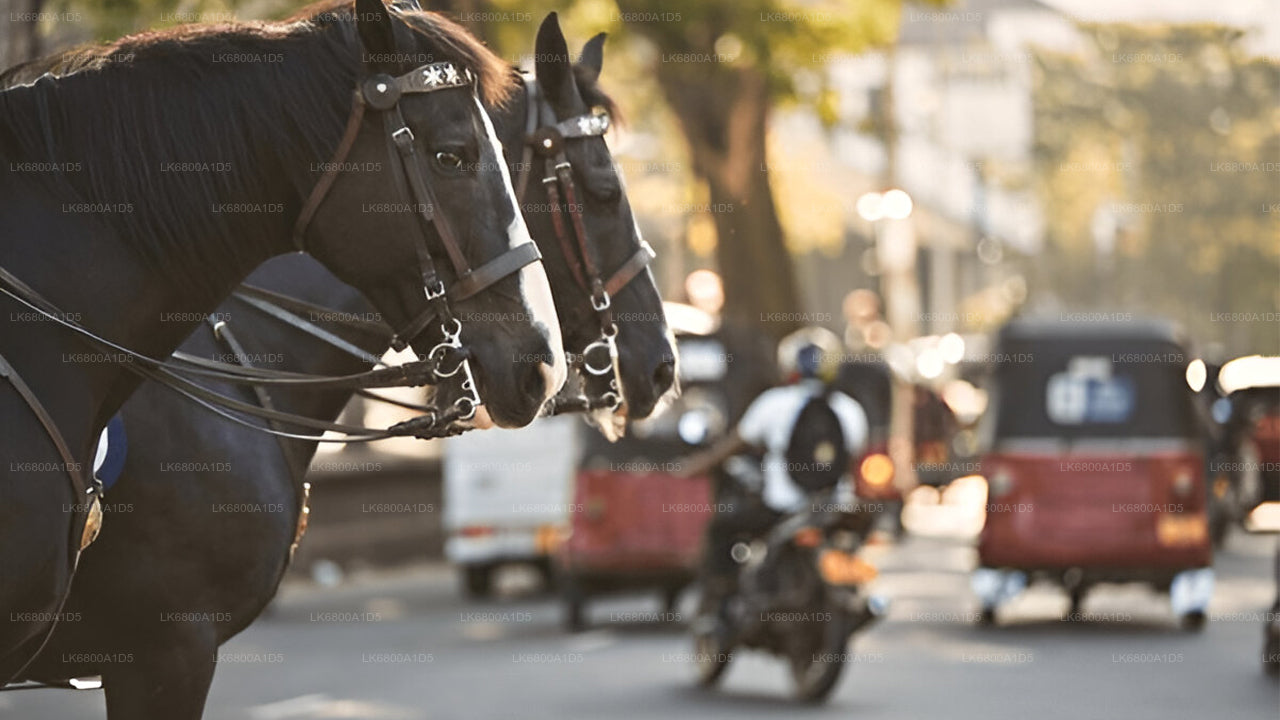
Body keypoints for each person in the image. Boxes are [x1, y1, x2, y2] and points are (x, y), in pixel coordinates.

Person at [681, 326, 869, 616]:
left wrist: (692, 468)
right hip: (835, 508)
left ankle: (717, 605)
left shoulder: (774, 403)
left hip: (780, 508)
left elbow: (731, 447)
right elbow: (855, 461)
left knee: (721, 529)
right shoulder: (851, 410)